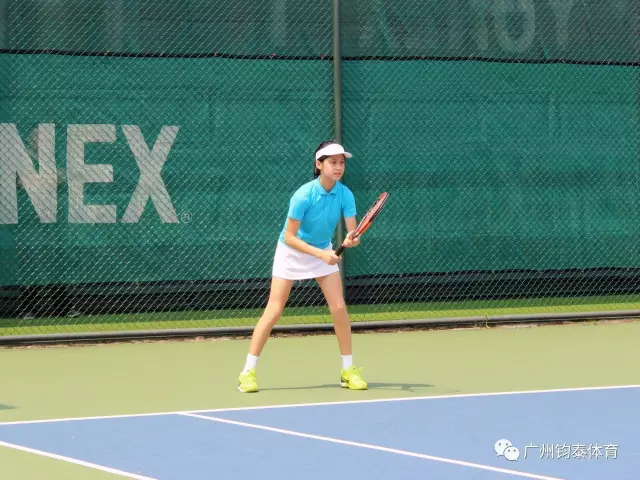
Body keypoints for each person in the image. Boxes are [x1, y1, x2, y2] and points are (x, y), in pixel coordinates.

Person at [237, 140, 368, 393]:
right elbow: (289, 237)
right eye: (332, 162)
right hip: (292, 252)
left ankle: (347, 370)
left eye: (341, 162)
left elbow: (353, 232)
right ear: (319, 165)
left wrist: (352, 239)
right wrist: (321, 254)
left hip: (322, 251)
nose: (338, 167)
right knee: (274, 310)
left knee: (339, 308)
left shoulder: (345, 194)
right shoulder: (303, 195)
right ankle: (247, 372)